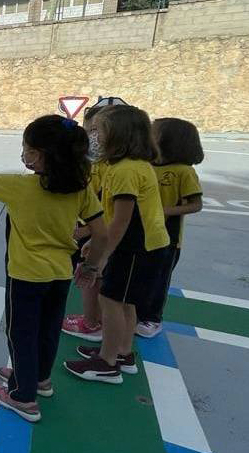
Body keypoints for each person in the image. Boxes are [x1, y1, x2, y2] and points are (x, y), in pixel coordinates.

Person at [0, 114, 108, 422]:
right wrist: (91, 267)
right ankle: (40, 380)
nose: (23, 153)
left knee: (21, 334)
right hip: (61, 274)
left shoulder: (16, 186)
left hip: (26, 276)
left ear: (38, 155)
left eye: (26, 148)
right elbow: (101, 233)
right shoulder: (80, 189)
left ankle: (22, 396)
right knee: (49, 330)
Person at [64, 105, 171, 384]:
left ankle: (107, 362)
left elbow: (121, 221)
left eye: (99, 131)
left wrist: (99, 257)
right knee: (126, 301)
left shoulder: (125, 171)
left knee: (110, 299)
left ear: (119, 136)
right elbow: (112, 216)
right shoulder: (127, 167)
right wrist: (93, 242)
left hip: (137, 247)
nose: (94, 137)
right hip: (146, 246)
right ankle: (122, 352)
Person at [61, 97, 129, 341]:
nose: (93, 137)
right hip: (95, 231)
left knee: (94, 277)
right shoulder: (105, 163)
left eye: (96, 131)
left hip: (97, 232)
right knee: (96, 279)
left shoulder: (117, 168)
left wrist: (88, 232)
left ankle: (91, 323)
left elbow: (107, 208)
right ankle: (94, 320)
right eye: (90, 130)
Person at [135, 118, 204, 337]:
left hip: (168, 239)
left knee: (158, 279)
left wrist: (163, 211)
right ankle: (134, 313)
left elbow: (195, 205)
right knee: (138, 275)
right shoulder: (146, 166)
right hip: (140, 233)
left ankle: (152, 318)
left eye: (154, 131)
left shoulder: (184, 172)